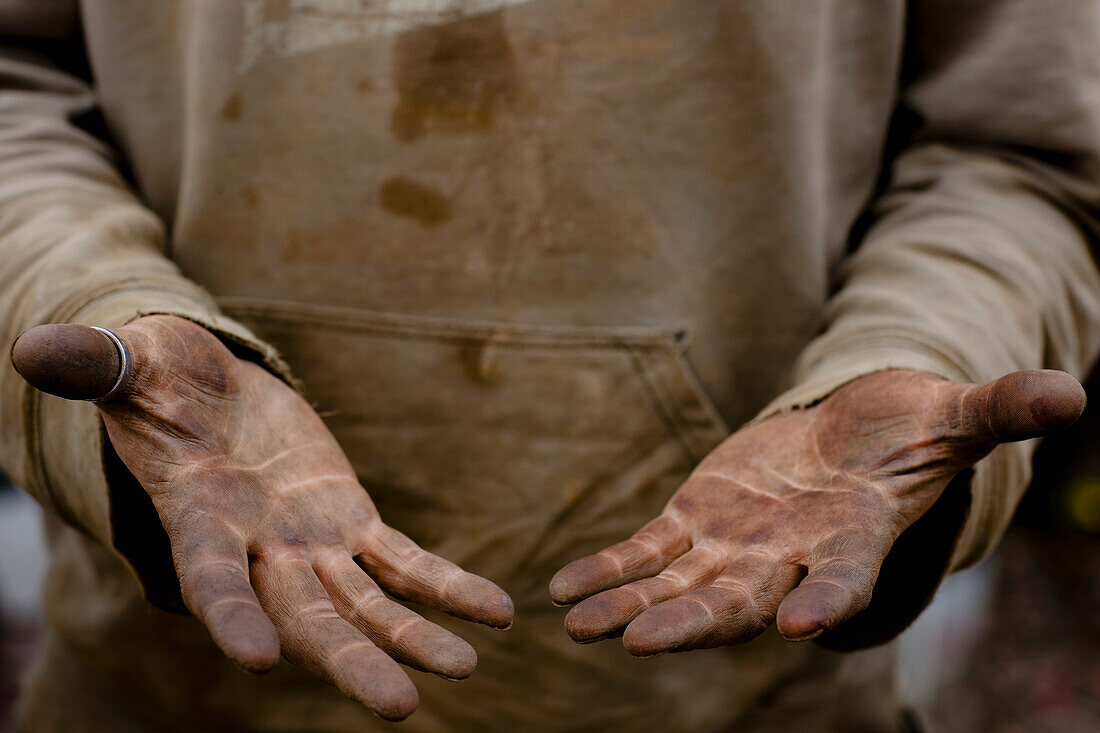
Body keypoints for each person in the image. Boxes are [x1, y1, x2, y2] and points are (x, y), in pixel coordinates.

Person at [1, 1, 1098, 731]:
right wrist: (102, 307)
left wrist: (919, 349)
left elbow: (1012, 148)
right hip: (167, 683)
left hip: (732, 692)